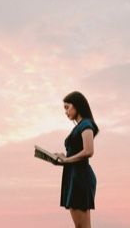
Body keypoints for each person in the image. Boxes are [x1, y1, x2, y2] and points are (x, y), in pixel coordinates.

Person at [54, 91, 100, 228]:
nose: (66, 111)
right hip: (74, 177)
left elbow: (89, 151)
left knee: (82, 227)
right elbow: (77, 154)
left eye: (67, 107)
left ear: (77, 105)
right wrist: (63, 159)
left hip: (80, 178)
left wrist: (67, 160)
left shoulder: (86, 124)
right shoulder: (79, 127)